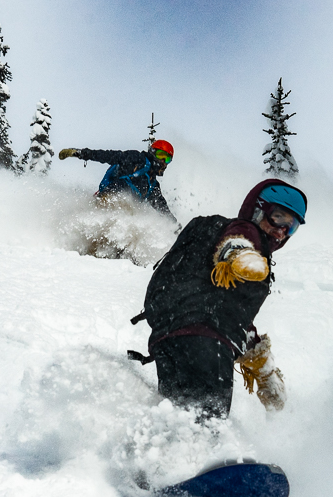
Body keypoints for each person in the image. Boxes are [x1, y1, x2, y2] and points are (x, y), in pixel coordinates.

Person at [128, 179, 307, 419]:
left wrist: (264, 369)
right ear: (258, 209)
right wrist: (239, 254)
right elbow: (238, 238)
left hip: (169, 339)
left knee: (178, 421)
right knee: (206, 427)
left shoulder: (219, 241)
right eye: (278, 217)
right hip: (205, 345)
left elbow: (230, 314)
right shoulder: (246, 232)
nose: (282, 230)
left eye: (291, 226)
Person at [58, 140, 176, 220]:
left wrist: (175, 227)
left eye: (167, 159)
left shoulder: (153, 185)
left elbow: (162, 207)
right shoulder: (136, 159)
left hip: (126, 214)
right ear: (153, 152)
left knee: (134, 220)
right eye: (161, 155)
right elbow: (109, 156)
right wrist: (81, 153)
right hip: (110, 197)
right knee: (126, 213)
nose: (162, 162)